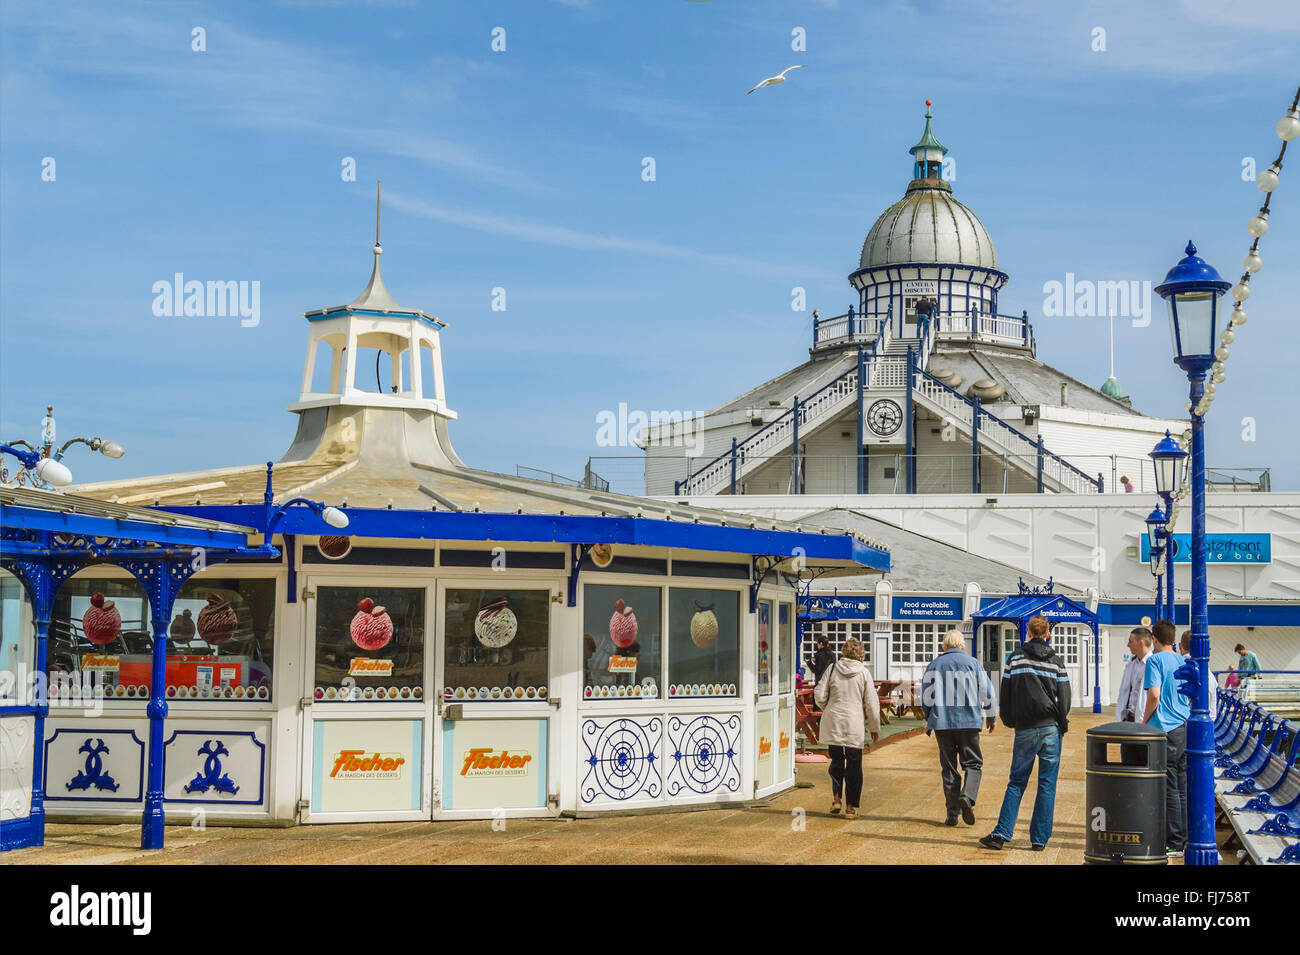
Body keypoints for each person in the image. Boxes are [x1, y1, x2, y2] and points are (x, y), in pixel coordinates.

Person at [979, 615, 1070, 852]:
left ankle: (1002, 833)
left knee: (1017, 782)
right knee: (1047, 783)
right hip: (1050, 727)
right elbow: (1065, 697)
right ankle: (1039, 839)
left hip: (1025, 728)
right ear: (1047, 634)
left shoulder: (1015, 658)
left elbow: (1006, 692)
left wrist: (1009, 720)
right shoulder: (1057, 661)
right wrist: (1061, 722)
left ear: (1028, 633)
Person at [921, 629, 996, 827]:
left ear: (944, 646)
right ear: (962, 645)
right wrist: (991, 715)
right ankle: (968, 796)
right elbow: (987, 691)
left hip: (943, 724)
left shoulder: (935, 665)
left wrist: (930, 717)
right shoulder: (973, 664)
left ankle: (952, 814)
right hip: (969, 722)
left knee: (949, 769)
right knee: (973, 764)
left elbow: (926, 697)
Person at [814, 636, 880, 820]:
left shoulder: (832, 668)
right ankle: (851, 808)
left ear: (844, 651)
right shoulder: (864, 673)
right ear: (861, 653)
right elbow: (872, 704)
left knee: (836, 761)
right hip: (854, 723)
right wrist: (874, 727)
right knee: (854, 766)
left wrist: (827, 708)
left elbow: (819, 694)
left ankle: (836, 799)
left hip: (833, 721)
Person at [1144, 619, 1189, 856]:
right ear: (1173, 639)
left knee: (1169, 786)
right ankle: (1183, 836)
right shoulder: (1182, 660)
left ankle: (1174, 841)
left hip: (1165, 726)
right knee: (1181, 784)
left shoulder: (1155, 661)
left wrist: (1144, 721)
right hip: (1183, 725)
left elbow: (1154, 694)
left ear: (1154, 638)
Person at [1116, 628, 1153, 722]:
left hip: (1146, 720)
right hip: (1128, 718)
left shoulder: (1153, 664)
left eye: (1130, 641)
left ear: (1141, 643)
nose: (1128, 645)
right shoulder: (1132, 664)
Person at [1179, 630, 1217, 720]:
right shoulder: (1207, 672)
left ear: (1180, 645)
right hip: (1208, 721)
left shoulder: (1179, 667)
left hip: (1184, 723)